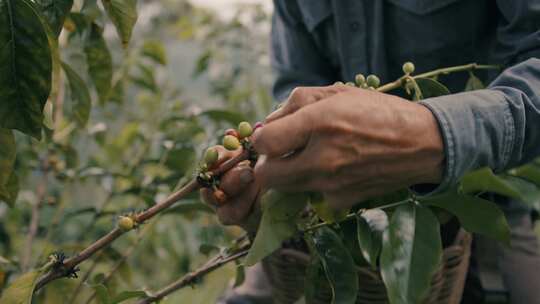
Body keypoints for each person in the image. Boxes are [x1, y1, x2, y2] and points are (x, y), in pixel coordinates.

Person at [204, 1, 540, 303]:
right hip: (336, 207)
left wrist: (433, 133)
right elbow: (297, 89)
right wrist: (274, 167)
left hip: (484, 192)